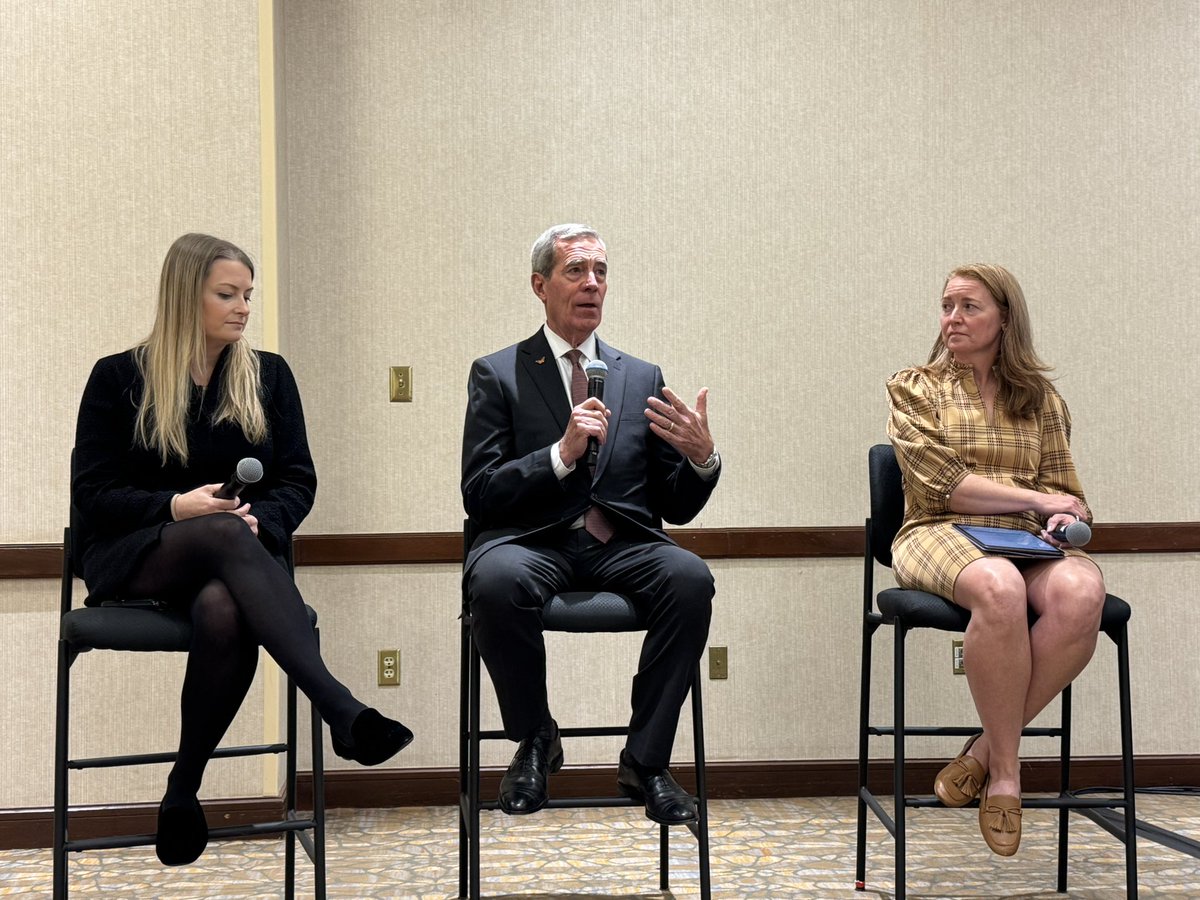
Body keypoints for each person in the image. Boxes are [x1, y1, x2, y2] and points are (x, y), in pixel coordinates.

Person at [72, 233, 413, 867]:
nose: (243, 307)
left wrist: (262, 523)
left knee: (225, 606)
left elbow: (298, 479)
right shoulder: (118, 377)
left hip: (235, 559)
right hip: (139, 554)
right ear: (185, 297)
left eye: (248, 295)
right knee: (222, 533)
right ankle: (340, 707)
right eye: (227, 294)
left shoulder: (269, 376)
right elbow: (94, 494)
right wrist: (178, 507)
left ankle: (182, 789)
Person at [461, 224, 720, 825]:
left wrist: (702, 458)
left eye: (601, 272)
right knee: (496, 584)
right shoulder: (498, 374)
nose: (592, 284)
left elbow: (675, 506)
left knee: (689, 580)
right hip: (531, 542)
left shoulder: (641, 376)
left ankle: (646, 760)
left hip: (621, 543)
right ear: (540, 285)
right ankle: (533, 739)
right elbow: (480, 491)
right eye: (576, 271)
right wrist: (561, 454)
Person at [886, 264, 1106, 857]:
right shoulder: (915, 387)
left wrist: (1065, 515)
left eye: (969, 307)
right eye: (946, 306)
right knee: (1001, 588)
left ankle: (982, 751)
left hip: (1022, 539)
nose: (952, 318)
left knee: (1083, 592)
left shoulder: (1041, 399)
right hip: (936, 529)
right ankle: (1006, 777)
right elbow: (946, 485)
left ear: (1004, 317)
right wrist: (1040, 499)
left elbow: (1066, 488)